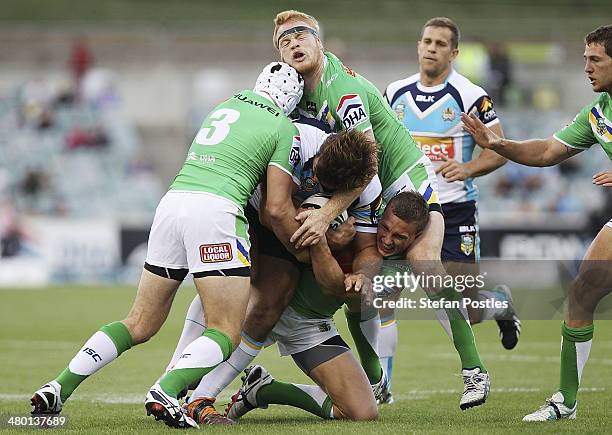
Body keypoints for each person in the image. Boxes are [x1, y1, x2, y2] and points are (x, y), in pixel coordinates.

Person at [30, 62, 305, 429]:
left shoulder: (224, 106)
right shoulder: (283, 125)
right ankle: (167, 389)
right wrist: (302, 247)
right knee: (225, 330)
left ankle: (58, 387)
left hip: (172, 204)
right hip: (215, 212)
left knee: (140, 321)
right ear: (291, 100)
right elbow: (275, 205)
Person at [274, 9, 490, 410]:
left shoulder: (341, 89)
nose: (293, 43)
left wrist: (324, 214)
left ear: (320, 43)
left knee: (425, 261)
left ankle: (474, 370)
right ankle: (376, 380)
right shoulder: (298, 93)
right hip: (363, 193)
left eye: (301, 35)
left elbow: (368, 162)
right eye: (284, 41)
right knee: (359, 286)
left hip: (401, 179)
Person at [158, 118, 384, 425]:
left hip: (308, 317)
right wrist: (319, 240)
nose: (315, 183)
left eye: (326, 188)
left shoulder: (368, 191)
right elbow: (272, 212)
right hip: (253, 213)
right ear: (321, 149)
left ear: (348, 190)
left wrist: (358, 272)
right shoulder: (299, 137)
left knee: (364, 412)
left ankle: (258, 390)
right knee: (252, 295)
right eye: (315, 171)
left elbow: (365, 255)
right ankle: (193, 394)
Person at [461, 24, 612, 422]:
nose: (586, 67)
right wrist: (499, 145)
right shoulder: (599, 114)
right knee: (581, 293)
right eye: (584, 59)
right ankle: (566, 400)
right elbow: (546, 150)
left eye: (595, 59)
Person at [382, 17, 519, 397]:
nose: (431, 48)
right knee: (382, 296)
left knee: (468, 311)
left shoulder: (470, 95)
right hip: (406, 213)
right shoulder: (394, 91)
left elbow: (500, 150)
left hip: (456, 211)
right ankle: (383, 389)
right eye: (426, 41)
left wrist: (468, 167)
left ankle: (501, 306)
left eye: (441, 44)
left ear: (454, 52)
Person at [223, 192, 430, 422]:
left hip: (310, 326)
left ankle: (261, 390)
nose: (387, 239)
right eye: (385, 228)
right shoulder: (360, 222)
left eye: (399, 236)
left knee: (362, 412)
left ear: (416, 236)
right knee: (196, 374)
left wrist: (373, 372)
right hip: (270, 306)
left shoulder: (400, 267)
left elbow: (357, 307)